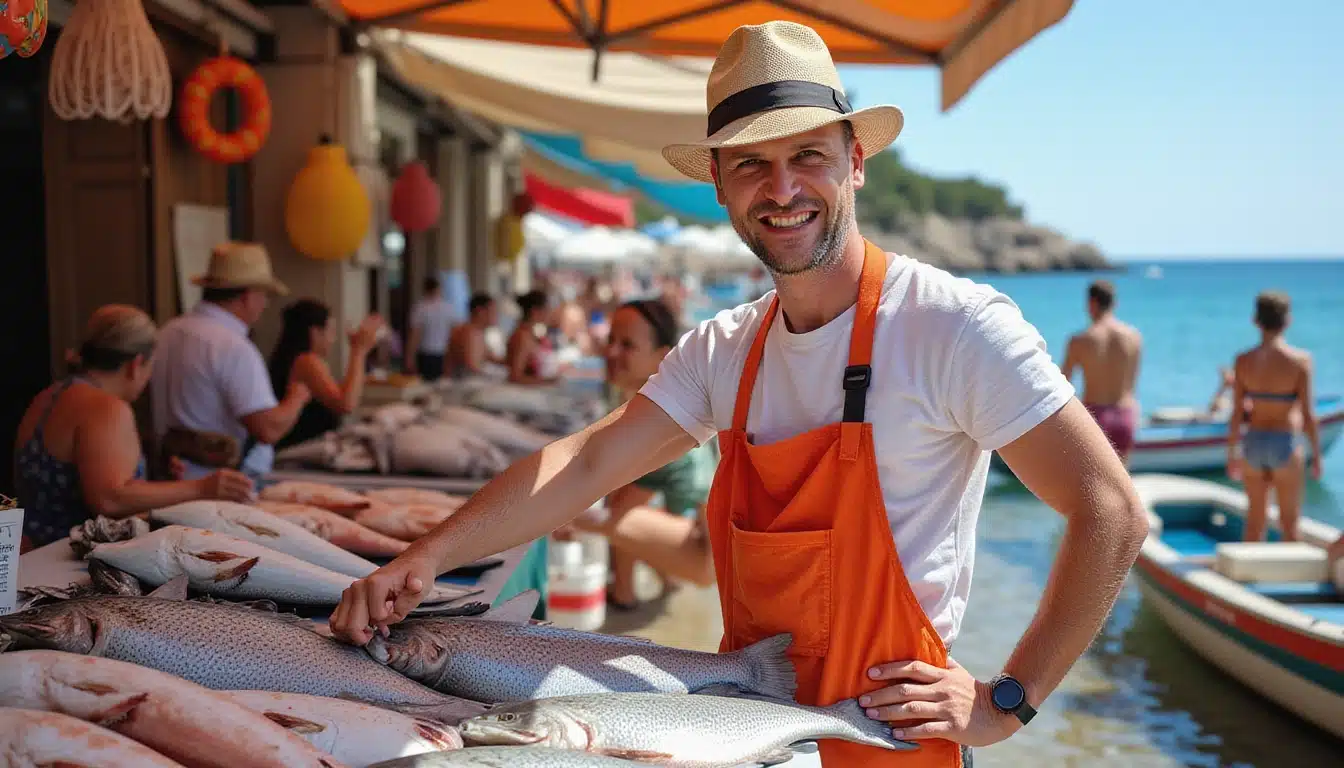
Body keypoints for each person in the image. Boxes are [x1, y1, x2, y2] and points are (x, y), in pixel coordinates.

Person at [329, 21, 1148, 765]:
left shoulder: (953, 326)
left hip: (897, 746)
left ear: (855, 162)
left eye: (808, 156)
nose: (782, 188)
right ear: (719, 181)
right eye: (753, 163)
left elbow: (1108, 507)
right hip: (743, 737)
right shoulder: (728, 349)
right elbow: (587, 463)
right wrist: (429, 556)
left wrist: (1008, 699)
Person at [14, 306, 253, 552]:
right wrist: (203, 488)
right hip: (65, 558)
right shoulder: (107, 408)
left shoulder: (48, 395)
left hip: (32, 553)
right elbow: (109, 498)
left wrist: (165, 486)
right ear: (136, 363)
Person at [569, 298, 718, 609]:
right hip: (696, 533)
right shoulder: (654, 402)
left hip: (707, 557)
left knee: (605, 513)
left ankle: (624, 593)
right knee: (613, 497)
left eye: (627, 345)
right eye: (610, 340)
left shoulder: (659, 421)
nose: (611, 352)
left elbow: (618, 509)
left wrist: (558, 521)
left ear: (661, 357)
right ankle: (657, 583)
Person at [151, 242, 311, 482]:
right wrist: (298, 397)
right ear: (248, 296)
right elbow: (268, 429)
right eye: (264, 296)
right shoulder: (233, 347)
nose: (265, 305)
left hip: (170, 477)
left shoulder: (167, 332)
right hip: (222, 485)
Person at [1226, 291, 1321, 543]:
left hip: (1253, 443)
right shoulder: (1301, 361)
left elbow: (1236, 413)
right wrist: (1318, 456)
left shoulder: (1243, 360)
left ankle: (1247, 579)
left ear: (1256, 321)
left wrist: (1232, 453)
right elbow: (1309, 414)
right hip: (1285, 442)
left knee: (1254, 522)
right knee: (1289, 525)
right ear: (1287, 320)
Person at [268, 299, 385, 449]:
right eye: (331, 332)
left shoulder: (295, 358)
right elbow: (346, 404)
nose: (333, 340)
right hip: (301, 450)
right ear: (315, 333)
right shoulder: (306, 361)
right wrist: (359, 351)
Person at [1061, 280, 1143, 464]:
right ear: (1114, 303)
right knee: (1120, 482)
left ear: (1091, 304)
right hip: (1125, 414)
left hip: (1095, 416)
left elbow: (1061, 388)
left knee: (1090, 485)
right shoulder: (1134, 337)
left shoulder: (1079, 340)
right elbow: (1132, 384)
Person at [505, 289, 560, 386]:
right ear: (535, 311)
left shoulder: (529, 334)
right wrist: (547, 382)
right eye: (547, 309)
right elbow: (514, 376)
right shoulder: (522, 337)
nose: (550, 313)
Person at [406, 276, 454, 382]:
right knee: (441, 384)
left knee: (425, 385)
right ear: (439, 288)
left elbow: (415, 334)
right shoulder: (448, 308)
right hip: (443, 352)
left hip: (426, 353)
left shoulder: (420, 307)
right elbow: (452, 334)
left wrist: (409, 357)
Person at [445, 293, 503, 379]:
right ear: (480, 311)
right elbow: (471, 368)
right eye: (493, 311)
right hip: (460, 384)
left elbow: (490, 356)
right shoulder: (469, 332)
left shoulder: (477, 331)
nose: (497, 315)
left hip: (468, 382)